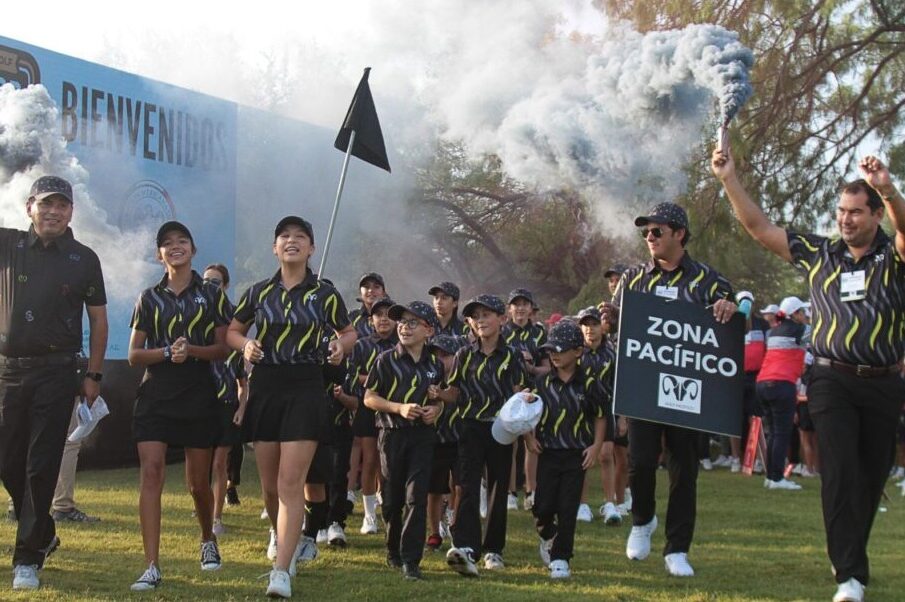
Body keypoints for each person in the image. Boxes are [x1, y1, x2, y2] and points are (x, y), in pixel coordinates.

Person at [713, 148, 905, 602]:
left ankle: (850, 557)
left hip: (883, 382)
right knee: (838, 470)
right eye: (841, 211)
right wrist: (729, 180)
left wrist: (889, 189)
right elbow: (759, 228)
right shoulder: (821, 253)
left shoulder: (893, 256)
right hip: (830, 379)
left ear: (876, 215)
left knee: (870, 477)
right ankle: (849, 576)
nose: (846, 220)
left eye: (856, 212)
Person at [601, 202, 736, 578]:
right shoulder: (633, 279)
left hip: (689, 391)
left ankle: (677, 548)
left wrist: (731, 306)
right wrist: (610, 320)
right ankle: (642, 520)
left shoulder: (707, 280)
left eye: (656, 231)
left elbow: (740, 308)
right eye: (645, 232)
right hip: (644, 386)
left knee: (683, 469)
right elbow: (617, 326)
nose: (649, 237)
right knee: (641, 461)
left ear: (679, 233)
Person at [227, 216, 356, 599]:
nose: (292, 241)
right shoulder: (258, 292)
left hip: (305, 386)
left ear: (312, 248)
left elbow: (348, 332)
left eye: (300, 237)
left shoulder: (325, 294)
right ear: (275, 247)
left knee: (289, 483)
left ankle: (281, 570)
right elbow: (232, 331)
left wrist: (340, 346)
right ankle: (281, 534)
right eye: (284, 236)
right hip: (266, 387)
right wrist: (244, 346)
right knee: (269, 486)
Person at [0, 176, 108, 591]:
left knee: (40, 465)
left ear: (71, 212)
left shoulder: (84, 258)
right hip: (9, 371)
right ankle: (43, 533)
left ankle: (26, 558)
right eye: (46, 204)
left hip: (58, 372)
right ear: (29, 207)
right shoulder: (7, 245)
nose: (53, 212)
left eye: (62, 205)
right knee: (9, 461)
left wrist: (93, 376)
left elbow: (99, 321)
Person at [127, 221, 231, 591]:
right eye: (167, 243)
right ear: (159, 254)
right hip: (155, 394)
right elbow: (134, 355)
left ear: (193, 249)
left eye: (181, 241)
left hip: (198, 391)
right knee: (152, 473)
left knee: (197, 484)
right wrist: (167, 352)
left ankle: (207, 538)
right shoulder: (149, 297)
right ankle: (151, 566)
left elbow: (224, 347)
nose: (175, 247)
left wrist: (192, 352)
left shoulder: (213, 294)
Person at [444, 294, 527, 577]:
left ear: (502, 319)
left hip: (501, 428)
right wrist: (435, 395)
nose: (480, 320)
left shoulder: (513, 354)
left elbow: (519, 392)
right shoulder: (463, 355)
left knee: (498, 487)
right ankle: (466, 545)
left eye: (486, 315)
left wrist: (522, 415)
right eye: (475, 316)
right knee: (466, 486)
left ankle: (493, 550)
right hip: (470, 426)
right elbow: (453, 393)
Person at [364, 300, 445, 580]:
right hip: (391, 435)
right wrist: (398, 408)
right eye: (401, 323)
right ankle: (393, 550)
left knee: (416, 497)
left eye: (412, 323)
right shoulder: (385, 360)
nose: (404, 328)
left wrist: (436, 410)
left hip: (422, 436)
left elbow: (439, 400)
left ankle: (412, 559)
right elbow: (369, 397)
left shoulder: (435, 364)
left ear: (428, 330)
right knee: (391, 500)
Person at [527, 319, 605, 579]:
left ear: (578, 351)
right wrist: (529, 437)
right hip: (548, 453)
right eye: (551, 350)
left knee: (568, 507)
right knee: (543, 507)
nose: (554, 355)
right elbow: (528, 412)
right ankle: (548, 535)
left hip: (576, 454)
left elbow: (601, 416)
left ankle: (561, 558)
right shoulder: (541, 383)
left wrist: (595, 446)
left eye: (560, 349)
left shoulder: (590, 383)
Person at [338, 296, 398, 536]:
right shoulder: (362, 345)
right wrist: (378, 379)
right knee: (370, 461)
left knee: (389, 464)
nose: (383, 319)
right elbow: (352, 375)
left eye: (388, 314)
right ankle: (369, 516)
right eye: (378, 315)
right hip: (368, 407)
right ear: (371, 320)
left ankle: (390, 511)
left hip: (395, 408)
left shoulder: (401, 343)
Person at [202, 264, 249, 536]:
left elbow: (243, 377)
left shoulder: (234, 320)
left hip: (226, 401)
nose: (210, 286)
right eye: (206, 281)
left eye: (216, 282)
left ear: (225, 285)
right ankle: (204, 508)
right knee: (199, 466)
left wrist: (242, 406)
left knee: (220, 462)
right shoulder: (194, 313)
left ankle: (216, 518)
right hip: (199, 400)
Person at [502, 289, 550, 512]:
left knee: (532, 442)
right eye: (516, 304)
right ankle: (510, 492)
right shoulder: (501, 332)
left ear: (531, 308)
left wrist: (531, 367)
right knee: (510, 442)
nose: (520, 308)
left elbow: (547, 368)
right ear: (509, 308)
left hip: (534, 393)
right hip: (507, 391)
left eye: (525, 304)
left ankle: (531, 491)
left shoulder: (540, 334)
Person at [575, 307, 623, 525]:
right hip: (580, 412)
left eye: (594, 324)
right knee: (584, 457)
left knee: (606, 455)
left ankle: (609, 503)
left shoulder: (611, 354)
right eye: (585, 325)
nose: (590, 329)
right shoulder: (576, 353)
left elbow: (621, 386)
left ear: (602, 328)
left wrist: (623, 418)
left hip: (606, 410)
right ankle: (582, 504)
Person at [757, 296, 808, 490]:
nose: (805, 316)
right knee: (781, 433)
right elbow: (822, 337)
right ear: (795, 314)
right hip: (781, 383)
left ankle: (771, 477)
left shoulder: (773, 331)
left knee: (772, 433)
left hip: (762, 383)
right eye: (803, 312)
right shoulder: (801, 330)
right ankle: (777, 478)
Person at [425, 335, 464, 552]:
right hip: (435, 440)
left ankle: (456, 526)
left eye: (445, 355)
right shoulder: (428, 378)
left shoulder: (464, 378)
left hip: (460, 439)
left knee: (460, 487)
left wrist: (440, 394)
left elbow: (456, 397)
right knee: (434, 489)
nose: (440, 359)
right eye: (436, 355)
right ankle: (434, 532)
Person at [51, 388, 102, 524]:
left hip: (17, 376)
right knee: (70, 440)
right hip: (60, 378)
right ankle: (63, 506)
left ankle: (17, 505)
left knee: (28, 436)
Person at [349, 272, 388, 338]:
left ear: (383, 293)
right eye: (366, 287)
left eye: (376, 287)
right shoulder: (351, 317)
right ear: (360, 293)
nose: (370, 290)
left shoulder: (393, 316)